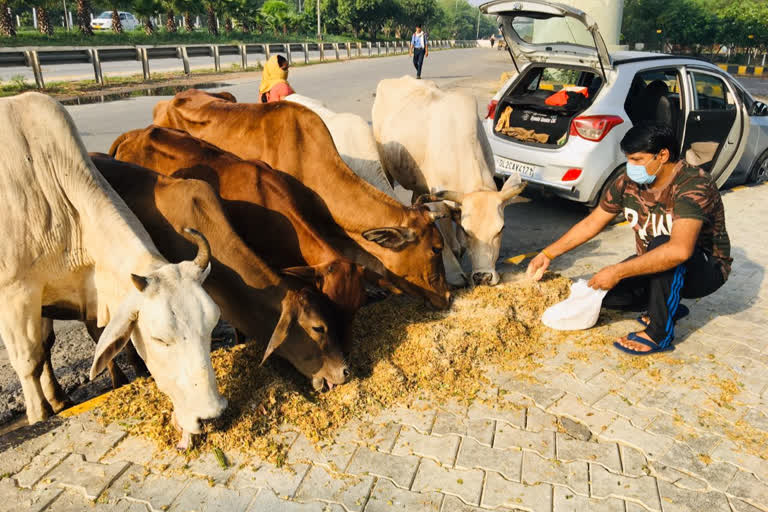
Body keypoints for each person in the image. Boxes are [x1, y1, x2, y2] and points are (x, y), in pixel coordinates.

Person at [527, 124, 731, 355]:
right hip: (656, 261)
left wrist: (618, 270)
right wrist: (548, 254)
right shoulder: (628, 182)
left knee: (662, 245)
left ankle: (659, 333)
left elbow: (679, 251)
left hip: (705, 270)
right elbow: (593, 222)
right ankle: (666, 307)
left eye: (637, 159)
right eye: (628, 159)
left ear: (662, 155)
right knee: (606, 297)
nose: (630, 166)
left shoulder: (693, 185)